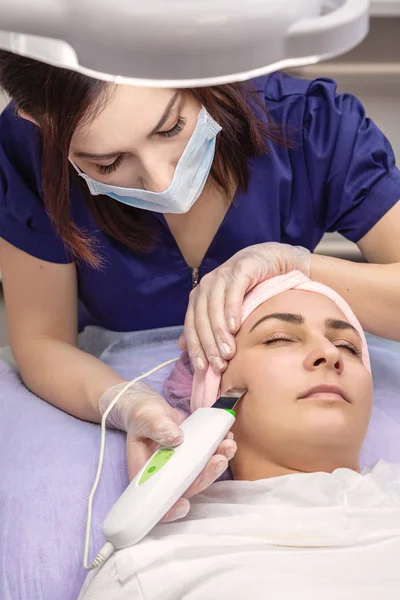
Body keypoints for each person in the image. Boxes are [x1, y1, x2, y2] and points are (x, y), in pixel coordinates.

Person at [1, 50, 400, 519]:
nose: (160, 180)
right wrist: (124, 404)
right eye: (107, 163)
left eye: (170, 128)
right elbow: (42, 339)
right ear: (38, 121)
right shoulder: (25, 151)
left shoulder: (308, 124)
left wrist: (292, 264)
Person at [78, 272, 400, 599]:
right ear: (217, 394)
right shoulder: (150, 569)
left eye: (348, 346)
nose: (329, 354)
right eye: (279, 338)